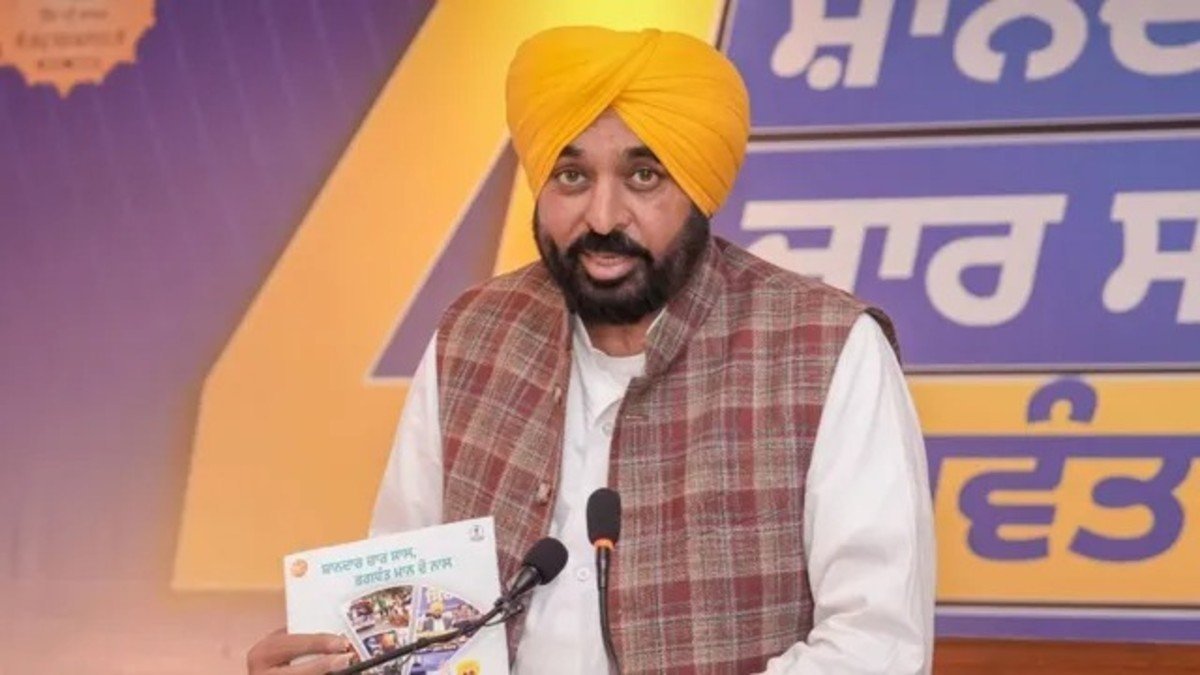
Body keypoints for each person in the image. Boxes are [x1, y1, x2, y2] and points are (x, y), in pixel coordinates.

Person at [247, 25, 934, 675]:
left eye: (644, 177)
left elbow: (876, 646)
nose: (603, 218)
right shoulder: (472, 336)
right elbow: (405, 611)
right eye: (572, 176)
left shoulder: (825, 347)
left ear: (700, 188)